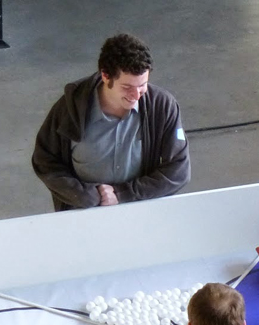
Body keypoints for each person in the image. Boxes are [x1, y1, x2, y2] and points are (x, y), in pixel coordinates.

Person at [32, 33, 191, 211]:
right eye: (127, 87)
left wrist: (123, 194)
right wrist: (85, 195)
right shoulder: (70, 108)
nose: (136, 95)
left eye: (142, 85)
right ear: (106, 76)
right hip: (82, 214)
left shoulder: (162, 107)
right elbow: (44, 160)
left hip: (139, 210)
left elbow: (178, 170)